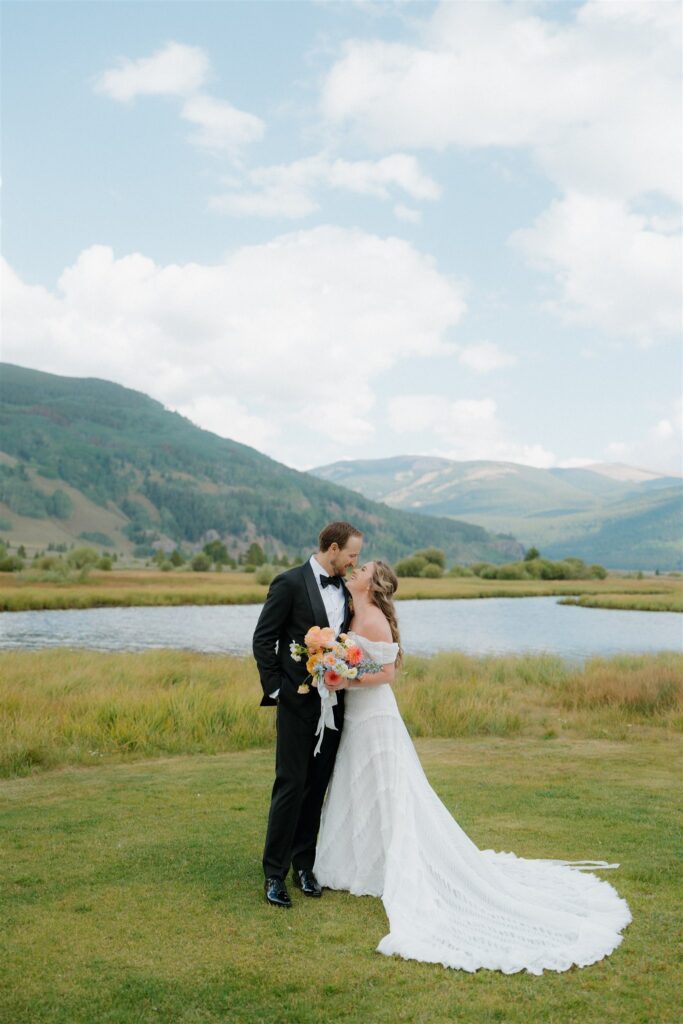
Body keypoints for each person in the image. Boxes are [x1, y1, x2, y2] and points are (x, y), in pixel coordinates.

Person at [313, 560, 633, 974]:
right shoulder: (351, 611)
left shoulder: (373, 617)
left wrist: (347, 677)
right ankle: (359, 861)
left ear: (373, 585)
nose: (354, 571)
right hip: (357, 715)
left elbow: (387, 672)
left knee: (386, 788)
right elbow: (360, 662)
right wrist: (337, 666)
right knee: (359, 786)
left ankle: (388, 863)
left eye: (363, 569)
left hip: (374, 714)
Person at [252, 521, 363, 908]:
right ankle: (273, 874)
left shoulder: (347, 592)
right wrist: (279, 688)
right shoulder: (289, 583)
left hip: (334, 705)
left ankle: (304, 866)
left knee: (316, 787)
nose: (353, 563)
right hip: (297, 704)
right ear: (332, 549)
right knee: (290, 784)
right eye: (351, 555)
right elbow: (263, 638)